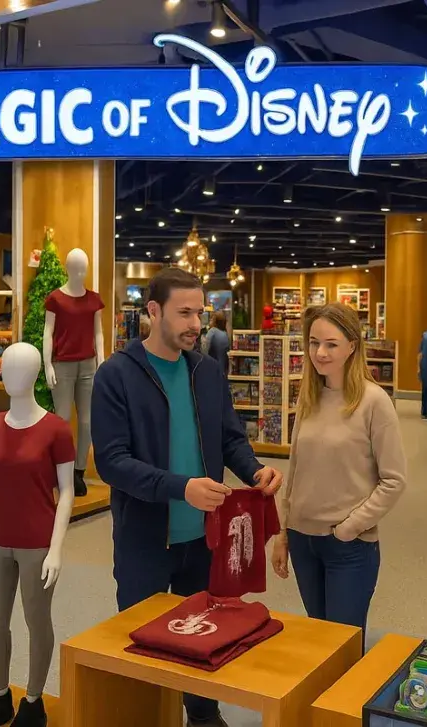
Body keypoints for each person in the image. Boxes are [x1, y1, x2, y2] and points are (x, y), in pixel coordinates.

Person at [91, 268, 283, 727]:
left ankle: (203, 715)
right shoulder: (116, 375)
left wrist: (254, 470)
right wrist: (182, 487)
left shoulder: (206, 371)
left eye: (200, 312)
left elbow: (230, 438)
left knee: (206, 639)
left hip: (204, 539)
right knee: (144, 647)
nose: (196, 323)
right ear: (153, 311)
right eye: (184, 313)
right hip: (144, 542)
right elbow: (112, 462)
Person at [271, 303, 406, 635]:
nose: (320, 352)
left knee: (343, 644)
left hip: (348, 545)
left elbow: (394, 480)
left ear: (352, 346)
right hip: (303, 541)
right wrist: (283, 533)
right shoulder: (308, 397)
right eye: (314, 342)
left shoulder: (374, 402)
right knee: (318, 640)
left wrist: (350, 527)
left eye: (331, 344)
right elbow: (296, 470)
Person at [200, 310, 231, 377]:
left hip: (212, 370)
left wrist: (202, 339)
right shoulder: (225, 334)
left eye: (211, 319)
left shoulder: (212, 331)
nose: (209, 321)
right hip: (223, 371)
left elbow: (204, 350)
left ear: (215, 321)